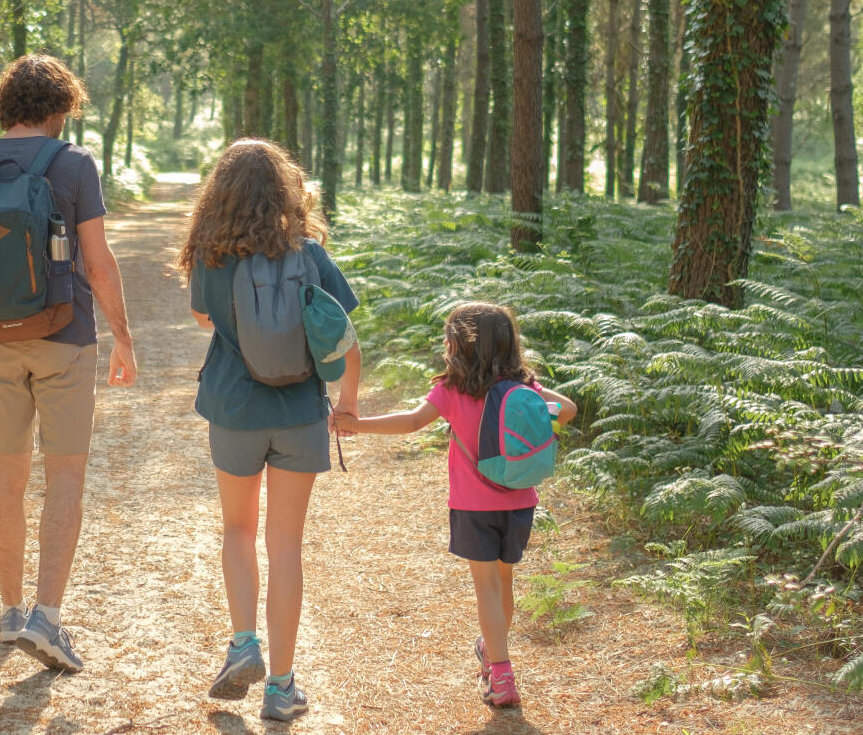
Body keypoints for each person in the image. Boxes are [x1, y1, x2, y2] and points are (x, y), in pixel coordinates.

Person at [0, 54, 135, 674]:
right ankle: (47, 618)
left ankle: (8, 614)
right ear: (59, 108)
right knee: (66, 476)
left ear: (5, 105)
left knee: (7, 476)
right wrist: (124, 339)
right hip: (66, 338)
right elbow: (98, 261)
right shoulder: (74, 164)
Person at [179, 139, 361, 722]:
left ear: (220, 193)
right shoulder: (307, 251)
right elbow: (340, 328)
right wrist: (349, 402)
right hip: (300, 411)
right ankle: (280, 688)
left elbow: (204, 317)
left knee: (237, 528)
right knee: (286, 545)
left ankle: (242, 645)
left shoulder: (213, 254)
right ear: (286, 190)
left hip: (234, 405)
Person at [334, 302, 577, 708]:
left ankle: (501, 675)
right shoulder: (524, 388)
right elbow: (566, 410)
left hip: (474, 505)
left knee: (484, 588)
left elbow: (412, 421)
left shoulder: (452, 389)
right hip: (520, 502)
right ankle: (493, 651)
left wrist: (356, 424)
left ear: (458, 345)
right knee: (504, 585)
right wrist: (527, 391)